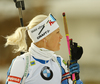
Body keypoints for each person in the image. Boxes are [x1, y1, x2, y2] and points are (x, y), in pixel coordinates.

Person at [5, 13, 83, 84]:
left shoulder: (59, 62)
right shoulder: (22, 62)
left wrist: (75, 78)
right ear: (44, 38)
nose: (61, 36)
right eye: (57, 32)